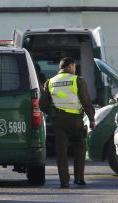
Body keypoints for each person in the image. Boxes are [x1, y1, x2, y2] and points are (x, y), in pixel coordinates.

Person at [39, 57, 96, 188]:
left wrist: (52, 112)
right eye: (74, 66)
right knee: (80, 146)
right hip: (75, 120)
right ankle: (79, 178)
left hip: (58, 120)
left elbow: (42, 104)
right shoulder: (78, 80)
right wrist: (92, 119)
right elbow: (86, 102)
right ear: (70, 66)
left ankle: (64, 181)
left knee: (61, 151)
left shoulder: (50, 82)